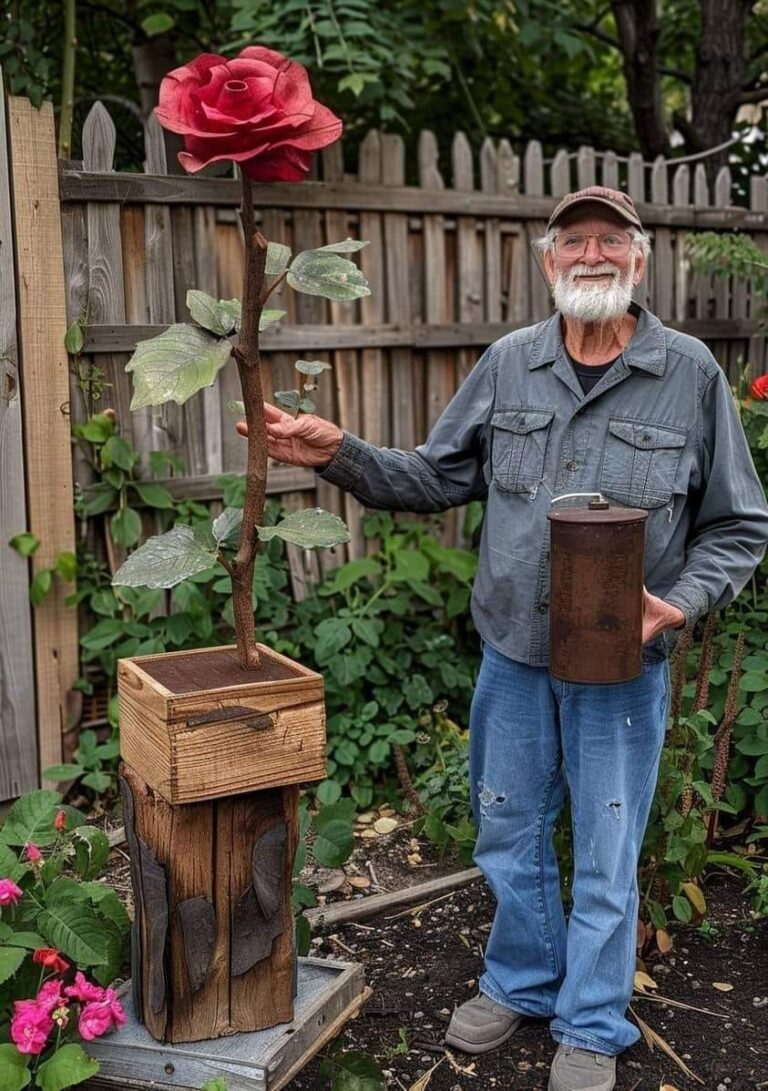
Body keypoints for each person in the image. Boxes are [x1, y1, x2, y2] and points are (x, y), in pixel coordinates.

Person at [237, 186, 768, 1091]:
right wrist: (338, 453)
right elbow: (437, 476)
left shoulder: (691, 375)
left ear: (641, 259)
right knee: (506, 829)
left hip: (623, 666)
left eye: (611, 241)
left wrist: (672, 604)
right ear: (547, 260)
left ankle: (592, 1022)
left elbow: (740, 526)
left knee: (607, 846)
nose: (591, 255)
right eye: (573, 242)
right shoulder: (510, 363)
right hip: (514, 657)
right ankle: (522, 979)